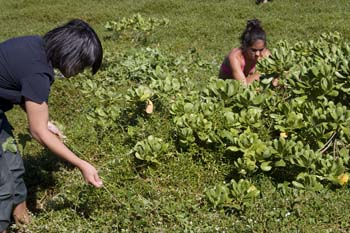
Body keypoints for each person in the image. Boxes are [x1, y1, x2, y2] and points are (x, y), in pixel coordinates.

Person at [0, 19, 103, 233]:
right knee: (3, 187)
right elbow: (38, 133)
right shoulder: (40, 73)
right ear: (71, 55)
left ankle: (23, 224)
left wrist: (44, 122)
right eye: (82, 66)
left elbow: (14, 83)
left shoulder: (35, 45)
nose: (80, 72)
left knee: (14, 168)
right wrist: (82, 164)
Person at [219, 19, 273, 86]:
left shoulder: (266, 54)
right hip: (228, 87)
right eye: (254, 50)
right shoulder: (235, 57)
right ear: (245, 46)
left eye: (261, 50)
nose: (257, 54)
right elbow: (243, 86)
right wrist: (262, 74)